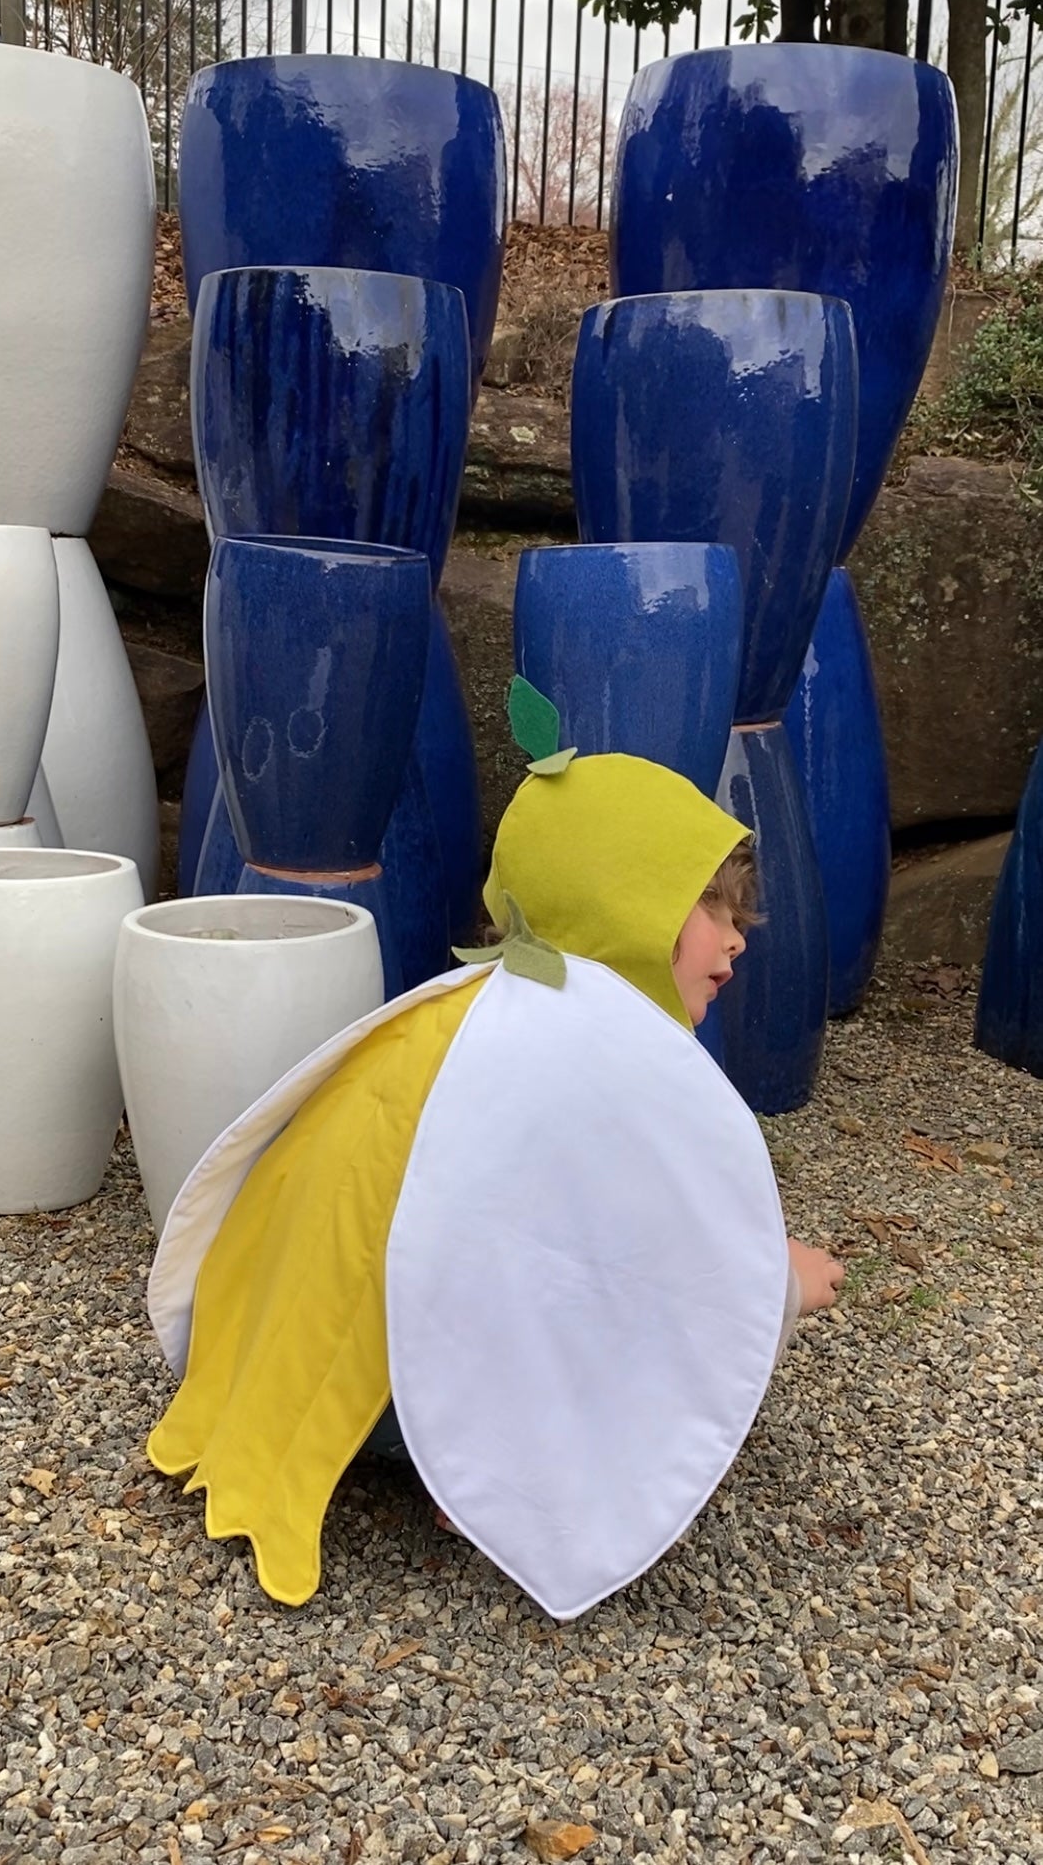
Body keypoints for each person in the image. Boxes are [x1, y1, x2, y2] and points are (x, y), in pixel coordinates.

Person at [146, 690, 843, 1621]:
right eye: (706, 907)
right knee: (684, 1336)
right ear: (620, 903)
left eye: (737, 913)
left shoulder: (472, 1006)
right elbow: (640, 1263)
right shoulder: (588, 1048)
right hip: (400, 1395)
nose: (735, 937)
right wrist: (777, 1285)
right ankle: (482, 1476)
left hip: (281, 1349)